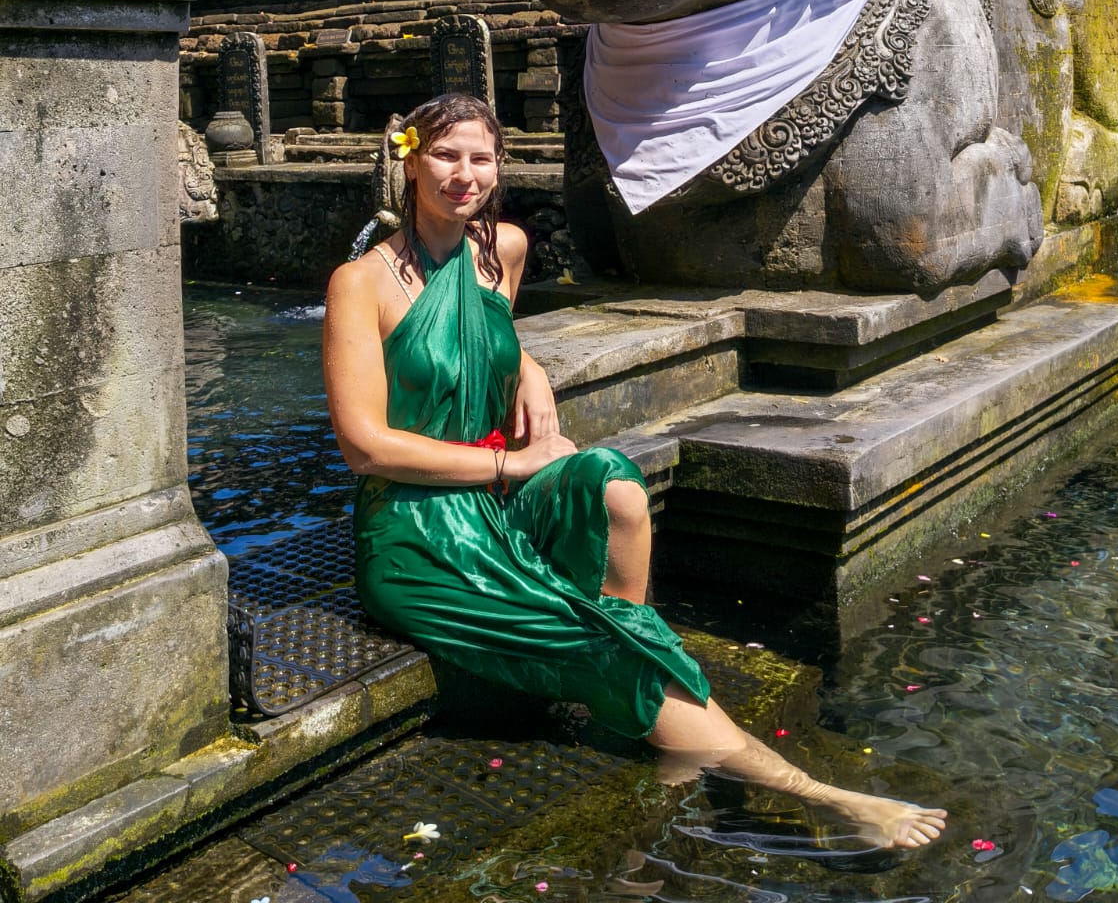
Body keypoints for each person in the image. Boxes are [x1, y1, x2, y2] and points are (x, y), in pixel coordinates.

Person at [323, 92, 946, 849]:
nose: (465, 174)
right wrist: (510, 464)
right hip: (416, 526)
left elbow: (483, 338)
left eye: (481, 158)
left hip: (494, 497)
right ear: (411, 161)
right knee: (597, 641)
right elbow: (364, 447)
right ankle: (814, 794)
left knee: (614, 478)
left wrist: (531, 372)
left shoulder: (504, 251)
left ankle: (624, 664)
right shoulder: (361, 282)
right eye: (446, 155)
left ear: (499, 167)